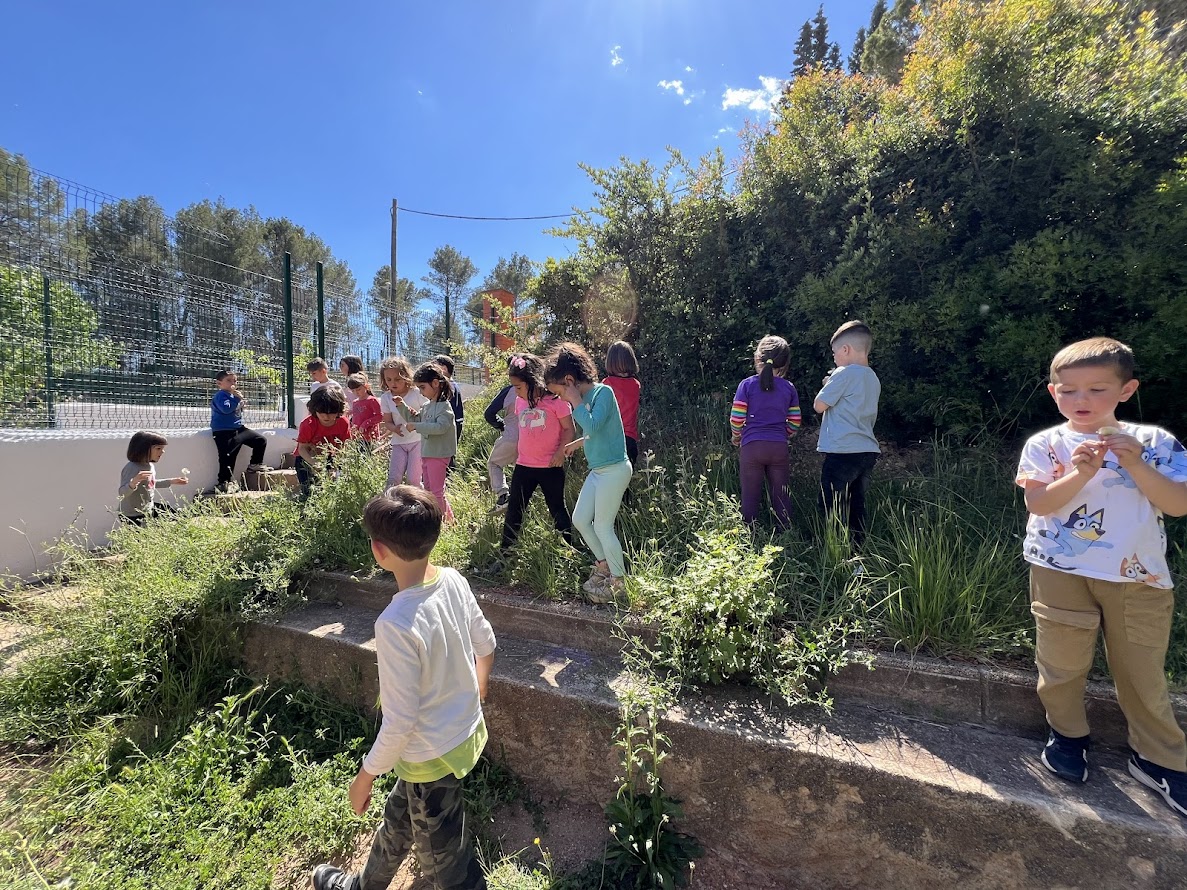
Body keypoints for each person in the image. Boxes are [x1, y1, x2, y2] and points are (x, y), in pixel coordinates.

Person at [1017, 336, 1187, 818]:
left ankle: (1161, 759)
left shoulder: (1153, 443)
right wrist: (1081, 474)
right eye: (1069, 391)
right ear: (1054, 393)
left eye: (1096, 389)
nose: (1082, 401)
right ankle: (1068, 734)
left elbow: (1177, 505)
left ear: (1126, 389)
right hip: (1057, 569)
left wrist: (1132, 461)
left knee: (1141, 669)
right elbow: (1041, 503)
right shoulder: (1045, 444)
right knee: (1062, 660)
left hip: (1139, 576)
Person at [311, 485, 496, 890]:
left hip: (429, 754)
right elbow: (486, 643)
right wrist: (479, 692)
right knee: (401, 817)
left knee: (448, 868)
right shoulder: (453, 580)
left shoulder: (395, 624)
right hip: (461, 736)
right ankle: (364, 885)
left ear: (379, 551)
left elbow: (400, 721)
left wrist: (364, 776)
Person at [545, 342, 631, 603]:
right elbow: (595, 432)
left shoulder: (603, 393)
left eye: (559, 392)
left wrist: (574, 401)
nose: (560, 398)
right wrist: (578, 442)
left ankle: (619, 581)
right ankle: (603, 566)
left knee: (604, 527)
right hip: (598, 471)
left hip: (615, 469)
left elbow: (593, 422)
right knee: (581, 520)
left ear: (569, 381)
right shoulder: (581, 400)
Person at [499, 353, 575, 556]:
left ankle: (569, 552)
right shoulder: (520, 402)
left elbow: (569, 429)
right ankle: (506, 554)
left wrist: (561, 452)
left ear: (533, 382)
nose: (516, 393)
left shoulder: (557, 402)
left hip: (551, 466)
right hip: (524, 466)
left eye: (518, 387)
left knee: (557, 509)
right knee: (514, 509)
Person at [813, 321, 881, 546]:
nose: (834, 358)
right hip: (867, 451)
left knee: (830, 505)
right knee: (856, 506)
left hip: (842, 451)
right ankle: (857, 554)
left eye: (834, 353)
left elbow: (819, 405)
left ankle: (831, 551)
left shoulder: (842, 374)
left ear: (846, 350)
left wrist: (827, 384)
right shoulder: (872, 378)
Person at [729, 335, 802, 530]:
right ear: (785, 364)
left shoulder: (747, 385)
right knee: (782, 495)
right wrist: (782, 434)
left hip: (752, 446)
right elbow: (795, 421)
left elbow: (737, 418)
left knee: (750, 496)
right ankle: (786, 533)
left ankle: (750, 535)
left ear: (757, 358)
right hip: (778, 447)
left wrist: (737, 436)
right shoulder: (789, 388)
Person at [397, 362, 457, 522]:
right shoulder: (427, 406)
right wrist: (402, 407)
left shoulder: (445, 407)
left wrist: (416, 426)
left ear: (435, 384)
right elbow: (415, 419)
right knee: (430, 490)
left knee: (436, 491)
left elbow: (441, 427)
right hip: (428, 453)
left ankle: (442, 522)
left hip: (438, 454)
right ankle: (449, 521)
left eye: (423, 387)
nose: (421, 392)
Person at [210, 370, 268, 494]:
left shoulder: (233, 395)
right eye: (229, 380)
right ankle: (223, 483)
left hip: (238, 428)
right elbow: (226, 409)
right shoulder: (221, 395)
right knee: (227, 456)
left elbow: (237, 410)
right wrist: (237, 400)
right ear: (219, 383)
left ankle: (255, 464)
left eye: (235, 381)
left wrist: (240, 401)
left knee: (260, 440)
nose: (233, 383)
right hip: (223, 431)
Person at [378, 357, 429, 489]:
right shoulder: (386, 398)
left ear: (406, 376)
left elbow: (427, 414)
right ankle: (390, 506)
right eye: (388, 380)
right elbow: (387, 422)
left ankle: (421, 504)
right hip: (398, 443)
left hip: (418, 441)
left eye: (397, 379)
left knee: (413, 479)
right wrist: (394, 428)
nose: (393, 383)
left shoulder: (417, 393)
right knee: (394, 479)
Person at [117, 430, 188, 523]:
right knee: (141, 536)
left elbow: (149, 484)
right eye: (158, 448)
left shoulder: (149, 465)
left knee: (177, 515)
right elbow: (122, 493)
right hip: (132, 515)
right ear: (143, 449)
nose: (162, 451)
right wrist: (133, 482)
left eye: (163, 448)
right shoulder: (132, 467)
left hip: (147, 508)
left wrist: (171, 481)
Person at [295, 385, 351, 497]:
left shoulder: (343, 423)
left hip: (331, 456)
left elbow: (344, 446)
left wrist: (336, 466)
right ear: (315, 409)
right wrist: (315, 464)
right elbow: (302, 449)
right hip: (306, 458)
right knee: (310, 492)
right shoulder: (308, 424)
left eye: (331, 412)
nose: (326, 416)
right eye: (321, 412)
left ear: (338, 410)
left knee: (334, 490)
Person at [482, 357, 521, 513]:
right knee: (521, 470)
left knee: (494, 463)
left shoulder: (509, 390)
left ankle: (502, 495)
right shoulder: (540, 388)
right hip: (532, 438)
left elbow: (489, 413)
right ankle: (520, 502)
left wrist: (500, 425)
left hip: (511, 434)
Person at [604, 341, 641, 467]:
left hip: (612, 438)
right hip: (630, 439)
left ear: (610, 362)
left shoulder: (607, 383)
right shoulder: (636, 384)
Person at [434, 354, 465, 463]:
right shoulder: (453, 385)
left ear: (444, 368)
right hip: (455, 423)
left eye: (435, 366)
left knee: (445, 455)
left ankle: (446, 477)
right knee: (449, 454)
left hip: (450, 425)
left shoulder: (447, 386)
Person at [346, 373, 383, 443]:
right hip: (357, 436)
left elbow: (380, 416)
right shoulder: (355, 402)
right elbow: (358, 416)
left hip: (370, 437)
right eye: (353, 391)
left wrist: (366, 424)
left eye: (358, 389)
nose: (356, 393)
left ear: (366, 386)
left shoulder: (372, 400)